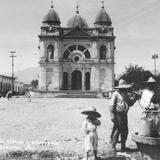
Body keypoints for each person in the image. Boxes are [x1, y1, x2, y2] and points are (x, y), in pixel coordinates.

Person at [109, 79, 139, 153]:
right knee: (116, 130)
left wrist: (135, 98)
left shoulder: (126, 94)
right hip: (118, 114)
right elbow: (111, 105)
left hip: (124, 114)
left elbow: (129, 104)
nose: (125, 89)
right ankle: (113, 146)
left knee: (125, 130)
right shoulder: (116, 94)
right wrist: (112, 115)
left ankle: (123, 146)